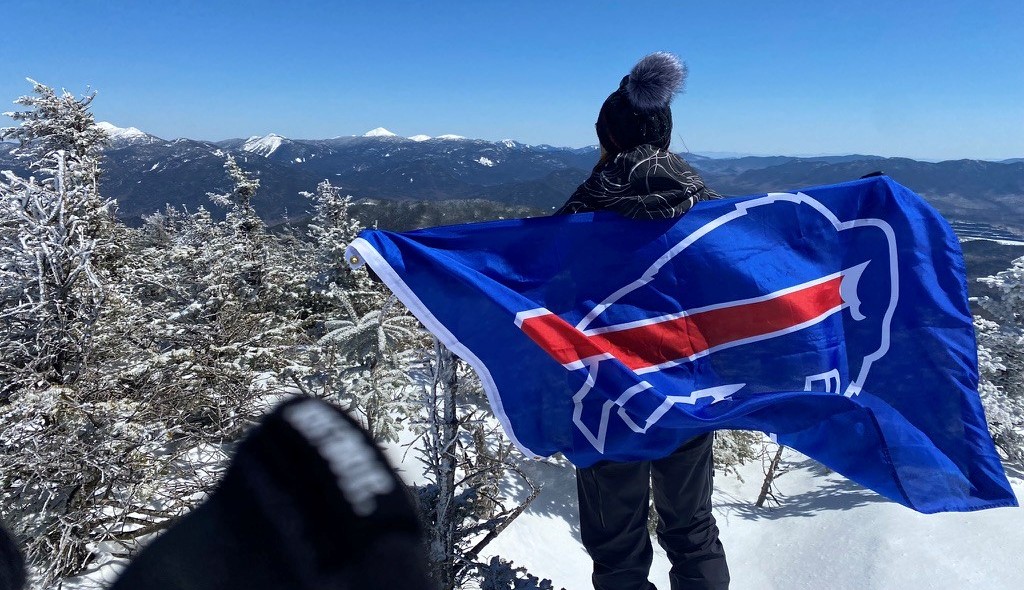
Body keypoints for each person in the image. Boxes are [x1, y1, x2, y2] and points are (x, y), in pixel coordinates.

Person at [556, 52, 730, 590]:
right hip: (688, 395)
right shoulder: (711, 215)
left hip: (605, 399)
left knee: (616, 549)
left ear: (607, 137)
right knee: (692, 530)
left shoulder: (574, 222)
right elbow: (764, 269)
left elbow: (521, 287)